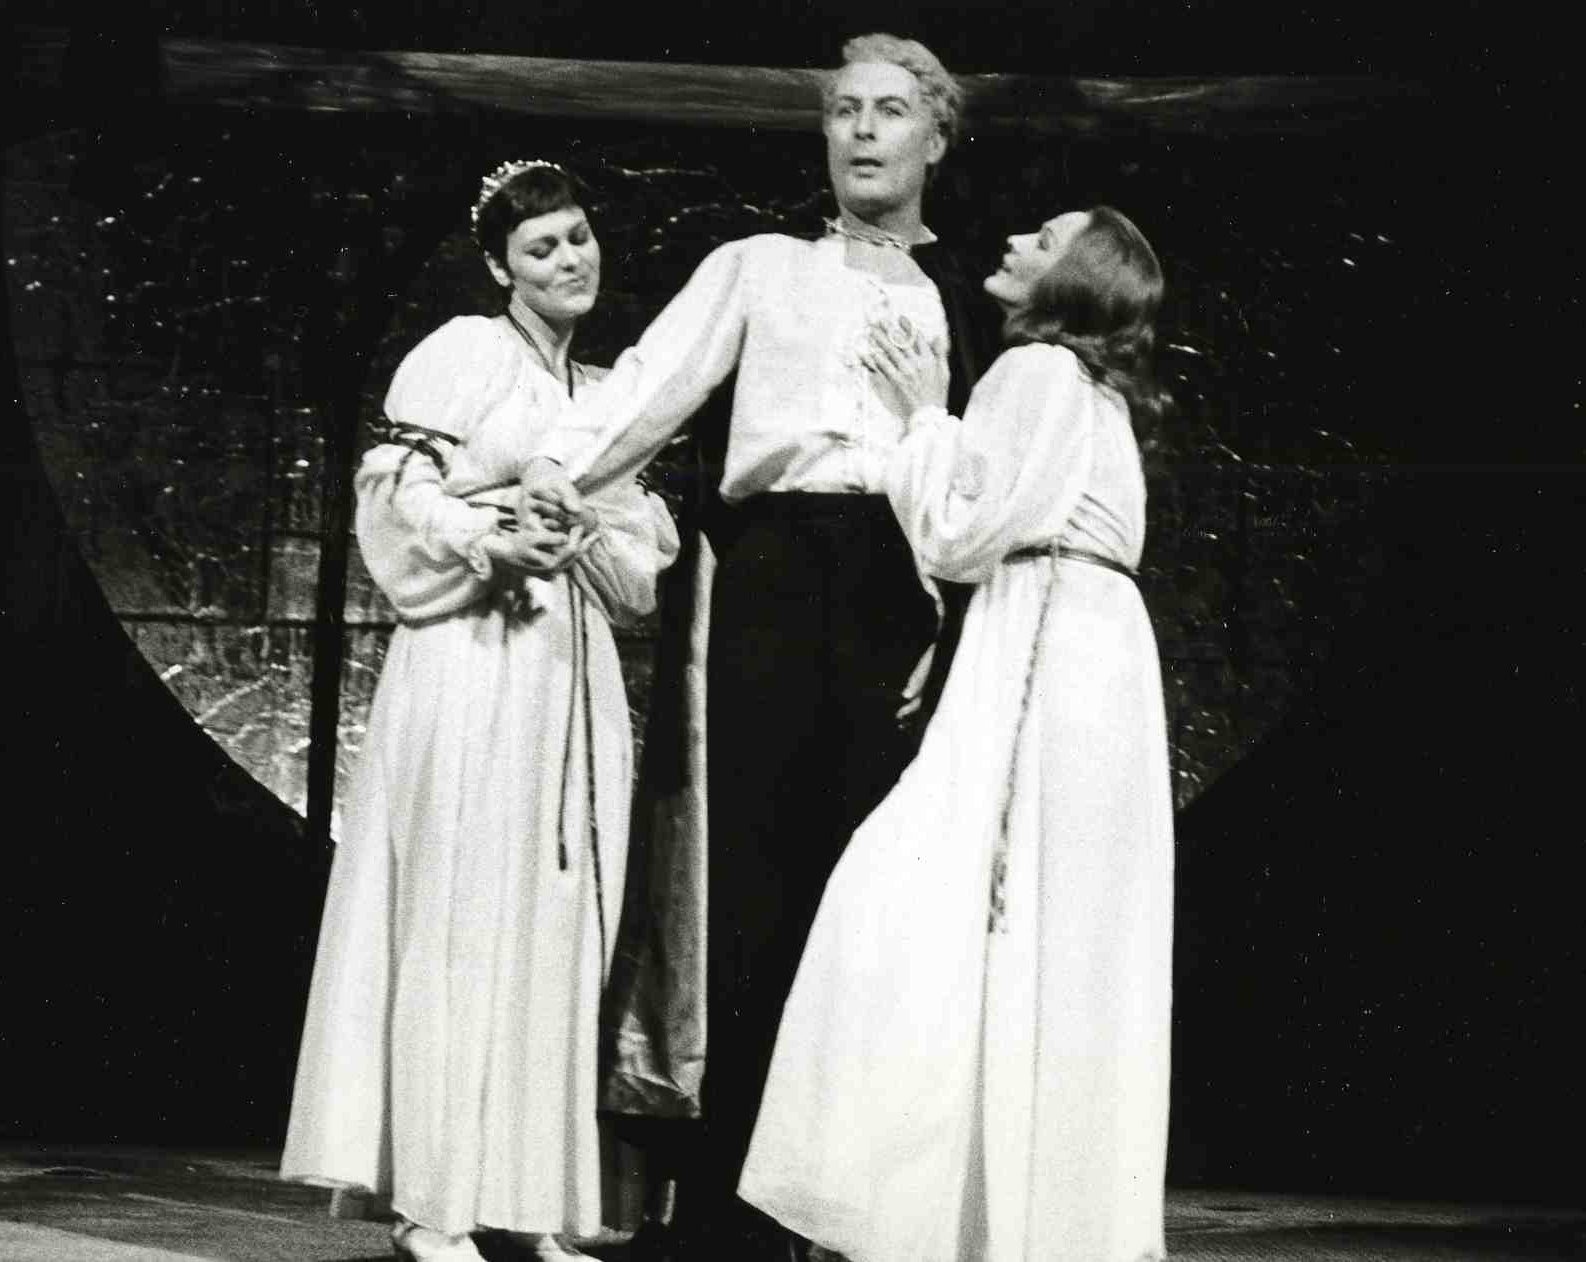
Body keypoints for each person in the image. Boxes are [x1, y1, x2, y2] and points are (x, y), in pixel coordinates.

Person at [521, 34, 993, 1259]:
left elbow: (981, 481)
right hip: (779, 570)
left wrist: (955, 625)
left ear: (937, 137)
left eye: (890, 111)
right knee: (755, 884)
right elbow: (649, 386)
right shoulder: (758, 265)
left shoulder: (971, 302)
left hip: (902, 584)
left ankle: (859, 1210)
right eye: (844, 111)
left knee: (875, 898)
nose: (863, 131)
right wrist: (552, 479)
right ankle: (729, 1214)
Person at [736, 206, 1177, 1262]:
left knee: (923, 897)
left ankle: (915, 1208)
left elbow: (961, 533)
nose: (1018, 241)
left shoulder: (1035, 372)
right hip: (1082, 648)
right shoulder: (1088, 390)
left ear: (1074, 277)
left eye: (1045, 239)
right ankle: (999, 1216)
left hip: (1046, 649)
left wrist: (923, 416)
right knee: (1036, 931)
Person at [279, 160, 679, 1262]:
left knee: (557, 923)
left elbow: (641, 572)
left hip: (567, 673)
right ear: (502, 268)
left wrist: (583, 530)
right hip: (472, 654)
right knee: (462, 911)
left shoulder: (605, 393)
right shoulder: (463, 352)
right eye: (542, 247)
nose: (569, 260)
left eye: (578, 236)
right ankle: (437, 1203)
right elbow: (394, 496)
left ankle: (530, 1201)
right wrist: (496, 533)